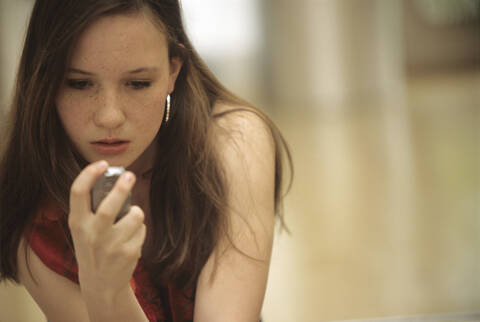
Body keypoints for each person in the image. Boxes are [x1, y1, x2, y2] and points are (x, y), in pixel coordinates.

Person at [0, 0, 291, 321]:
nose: (109, 116)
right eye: (79, 84)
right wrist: (105, 292)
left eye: (138, 84)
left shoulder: (233, 141)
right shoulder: (26, 200)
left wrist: (107, 291)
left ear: (173, 71)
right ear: (44, 82)